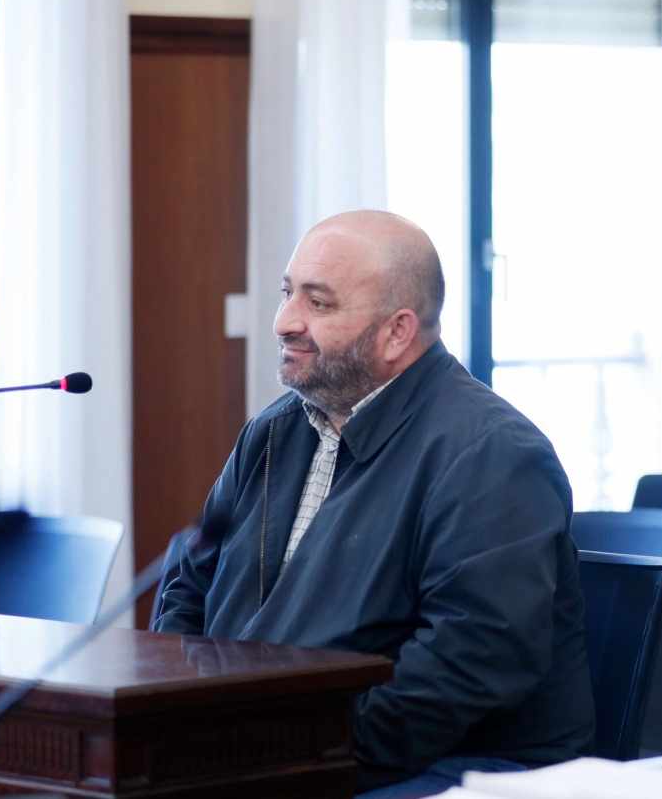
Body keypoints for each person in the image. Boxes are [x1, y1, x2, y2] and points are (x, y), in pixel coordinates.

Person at [155, 211, 594, 797]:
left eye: (320, 303)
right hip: (268, 754)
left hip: (442, 767)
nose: (285, 322)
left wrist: (299, 753)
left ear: (397, 332)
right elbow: (188, 589)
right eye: (288, 293)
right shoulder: (273, 434)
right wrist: (188, 720)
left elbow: (470, 665)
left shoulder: (493, 454)